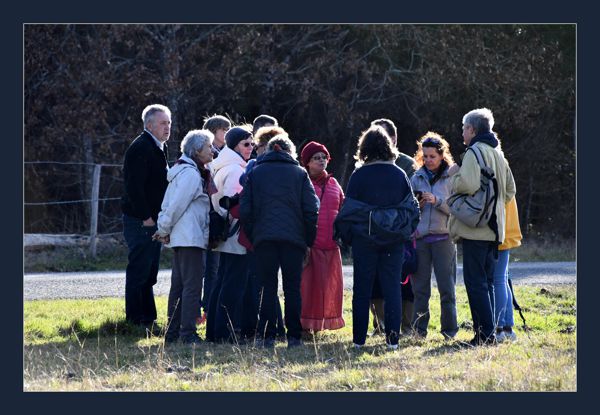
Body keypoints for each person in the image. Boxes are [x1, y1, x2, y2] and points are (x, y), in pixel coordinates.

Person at [334, 125, 420, 350]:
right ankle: (393, 340)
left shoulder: (359, 175)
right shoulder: (399, 174)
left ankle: (359, 340)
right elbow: (412, 209)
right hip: (393, 240)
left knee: (362, 290)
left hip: (365, 240)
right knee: (393, 289)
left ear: (364, 148)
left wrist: (351, 237)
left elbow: (347, 211)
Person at [240, 134, 319, 349]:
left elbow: (245, 210)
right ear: (289, 151)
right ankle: (294, 336)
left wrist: (254, 235)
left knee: (267, 287)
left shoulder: (256, 173)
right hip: (294, 240)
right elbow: (312, 210)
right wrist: (308, 240)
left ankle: (267, 335)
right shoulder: (299, 173)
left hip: (264, 239)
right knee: (292, 288)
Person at [449, 108, 516, 346]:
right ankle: (486, 333)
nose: (462, 132)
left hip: (475, 229)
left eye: (464, 128)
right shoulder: (498, 154)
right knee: (486, 282)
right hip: (494, 229)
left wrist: (453, 176)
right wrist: (494, 207)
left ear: (472, 129)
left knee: (475, 283)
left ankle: (484, 336)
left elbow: (467, 184)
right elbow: (510, 190)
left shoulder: (473, 152)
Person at [153, 129, 214, 344]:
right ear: (197, 150)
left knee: (179, 286)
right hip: (190, 237)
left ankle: (172, 333)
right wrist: (163, 229)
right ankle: (187, 333)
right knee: (192, 286)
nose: (212, 150)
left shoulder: (183, 171)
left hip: (183, 237)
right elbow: (176, 205)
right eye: (208, 147)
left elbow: (169, 203)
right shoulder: (189, 174)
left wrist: (166, 229)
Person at [121, 104, 171, 331]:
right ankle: (135, 321)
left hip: (152, 219)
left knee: (150, 270)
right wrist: (146, 217)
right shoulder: (141, 147)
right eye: (163, 123)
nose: (167, 127)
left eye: (169, 122)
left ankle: (148, 319)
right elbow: (134, 188)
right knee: (140, 270)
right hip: (141, 221)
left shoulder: (158, 147)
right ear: (149, 125)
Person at [238, 125, 288, 341]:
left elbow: (244, 192)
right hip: (288, 234)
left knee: (264, 283)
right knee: (286, 285)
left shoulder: (255, 168)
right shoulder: (293, 169)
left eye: (257, 145)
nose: (255, 149)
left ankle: (268, 330)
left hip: (262, 234)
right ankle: (283, 329)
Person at [206, 125, 254, 343]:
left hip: (226, 233)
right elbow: (235, 206)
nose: (250, 147)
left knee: (222, 282)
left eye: (252, 143)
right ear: (234, 146)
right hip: (235, 233)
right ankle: (225, 332)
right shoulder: (235, 170)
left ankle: (215, 331)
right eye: (246, 144)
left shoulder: (224, 166)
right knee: (233, 285)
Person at [369, 118, 417, 335]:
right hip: (373, 231)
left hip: (400, 231)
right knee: (375, 281)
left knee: (404, 281)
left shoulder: (407, 165)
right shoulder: (365, 165)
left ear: (394, 139)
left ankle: (406, 326)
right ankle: (380, 325)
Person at [409, 132, 459, 339]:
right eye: (426, 156)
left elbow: (457, 208)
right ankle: (419, 331)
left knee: (447, 289)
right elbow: (407, 210)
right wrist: (416, 205)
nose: (429, 160)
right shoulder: (416, 177)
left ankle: (449, 331)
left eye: (433, 156)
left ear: (442, 156)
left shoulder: (451, 177)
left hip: (444, 239)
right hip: (420, 239)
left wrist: (437, 201)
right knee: (420, 290)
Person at [299, 141, 345, 332]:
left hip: (331, 245)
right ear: (307, 163)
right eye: (316, 158)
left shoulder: (334, 184)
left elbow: (342, 209)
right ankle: (304, 325)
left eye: (324, 157)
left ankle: (321, 324)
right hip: (311, 245)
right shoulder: (302, 182)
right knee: (308, 288)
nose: (321, 161)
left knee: (329, 288)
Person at [197, 115, 231, 325]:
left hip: (217, 216)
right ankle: (207, 307)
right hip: (209, 216)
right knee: (209, 267)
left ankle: (210, 306)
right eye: (223, 130)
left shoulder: (226, 153)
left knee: (214, 267)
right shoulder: (212, 156)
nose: (226, 134)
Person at [494, 179, 523, 342]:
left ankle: (499, 327)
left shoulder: (497, 175)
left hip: (500, 234)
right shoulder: (506, 174)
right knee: (503, 280)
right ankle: (507, 327)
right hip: (508, 232)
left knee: (498, 280)